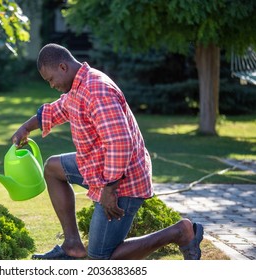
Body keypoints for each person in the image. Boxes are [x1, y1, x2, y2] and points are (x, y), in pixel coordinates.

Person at [11, 43, 203, 260]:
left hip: (122, 180)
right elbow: (56, 110)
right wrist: (26, 128)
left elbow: (120, 143)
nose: (51, 85)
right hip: (97, 166)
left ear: (63, 67)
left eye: (50, 79)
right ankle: (73, 245)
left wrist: (110, 189)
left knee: (101, 259)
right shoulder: (77, 87)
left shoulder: (96, 89)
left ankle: (180, 232)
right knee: (53, 168)